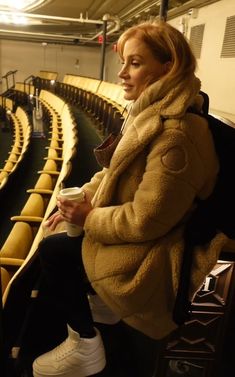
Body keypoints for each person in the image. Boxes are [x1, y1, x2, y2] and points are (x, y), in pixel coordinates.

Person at [32, 20, 228, 377]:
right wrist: (82, 202)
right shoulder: (148, 111)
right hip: (147, 235)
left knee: (53, 252)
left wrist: (88, 217)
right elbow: (113, 173)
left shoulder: (176, 135)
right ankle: (100, 307)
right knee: (57, 234)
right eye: (124, 61)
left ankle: (85, 344)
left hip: (157, 254)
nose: (122, 73)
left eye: (135, 63)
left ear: (167, 67)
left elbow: (146, 221)